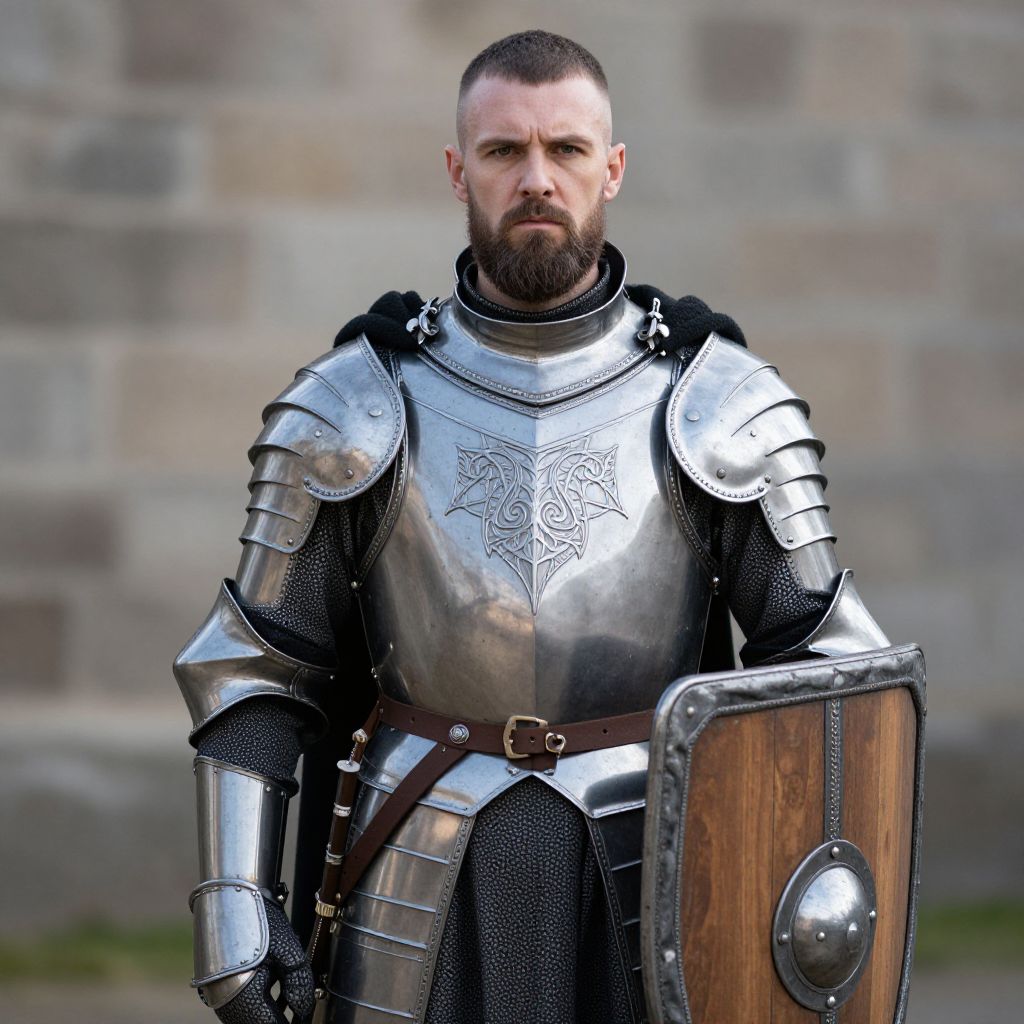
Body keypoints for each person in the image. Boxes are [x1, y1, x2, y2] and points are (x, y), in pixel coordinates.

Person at [174, 30, 889, 1024]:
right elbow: (256, 664)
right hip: (412, 870)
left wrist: (816, 921)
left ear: (614, 168)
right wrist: (237, 905)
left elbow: (831, 682)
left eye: (566, 149)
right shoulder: (355, 404)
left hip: (660, 871)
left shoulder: (722, 406)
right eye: (505, 152)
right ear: (458, 170)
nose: (537, 178)